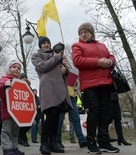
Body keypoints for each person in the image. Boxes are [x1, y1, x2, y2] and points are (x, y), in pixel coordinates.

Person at [72, 22, 120, 154]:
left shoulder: (101, 45)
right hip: (90, 84)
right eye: (81, 33)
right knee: (94, 111)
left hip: (105, 82)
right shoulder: (77, 46)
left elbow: (110, 56)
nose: (83, 34)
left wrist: (110, 61)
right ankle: (91, 141)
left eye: (85, 32)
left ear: (92, 33)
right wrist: (98, 62)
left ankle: (104, 141)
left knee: (106, 111)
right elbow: (77, 61)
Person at [31, 37, 73, 154]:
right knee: (51, 113)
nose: (46, 45)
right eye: (43, 43)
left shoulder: (57, 55)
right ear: (40, 45)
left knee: (57, 115)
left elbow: (65, 71)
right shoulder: (36, 56)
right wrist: (56, 57)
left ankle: (53, 142)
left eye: (47, 43)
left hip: (60, 88)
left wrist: (65, 69)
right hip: (48, 88)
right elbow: (43, 67)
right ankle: (44, 143)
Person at [56, 59, 87, 149]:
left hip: (72, 97)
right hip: (62, 96)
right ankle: (58, 140)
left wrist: (74, 82)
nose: (66, 61)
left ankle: (81, 140)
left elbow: (71, 82)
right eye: (64, 60)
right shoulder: (58, 68)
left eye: (66, 60)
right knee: (60, 120)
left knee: (76, 118)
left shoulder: (70, 70)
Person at [0, 60, 25, 155]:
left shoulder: (20, 82)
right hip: (7, 111)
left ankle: (14, 148)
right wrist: (4, 85)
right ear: (9, 68)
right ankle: (7, 149)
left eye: (19, 68)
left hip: (18, 113)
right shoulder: (5, 79)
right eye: (14, 67)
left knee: (15, 132)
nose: (17, 69)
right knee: (6, 131)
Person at [18, 73, 32, 147]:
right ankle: (25, 140)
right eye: (22, 77)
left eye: (25, 77)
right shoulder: (17, 85)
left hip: (28, 108)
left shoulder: (29, 86)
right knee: (22, 125)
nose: (24, 79)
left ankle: (20, 136)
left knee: (30, 124)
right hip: (20, 108)